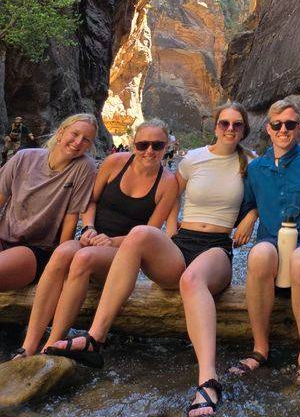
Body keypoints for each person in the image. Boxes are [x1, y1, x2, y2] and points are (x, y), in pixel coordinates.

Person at [48, 101, 257, 417]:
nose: (229, 129)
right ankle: (94, 339)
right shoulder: (192, 161)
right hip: (182, 243)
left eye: (236, 124)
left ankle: (208, 380)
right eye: (224, 123)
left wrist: (250, 215)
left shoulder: (251, 164)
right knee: (139, 234)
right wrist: (170, 233)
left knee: (192, 279)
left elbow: (265, 196)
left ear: (244, 129)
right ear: (215, 125)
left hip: (216, 248)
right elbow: (173, 199)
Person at [14, 119, 177, 359]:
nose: (149, 151)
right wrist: (89, 227)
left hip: (123, 251)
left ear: (167, 147)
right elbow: (90, 201)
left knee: (83, 258)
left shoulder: (168, 183)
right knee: (60, 254)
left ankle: (52, 344)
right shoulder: (114, 163)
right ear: (133, 145)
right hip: (91, 237)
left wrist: (111, 242)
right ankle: (28, 345)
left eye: (157, 145)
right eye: (143, 145)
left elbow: (148, 233)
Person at [230, 99, 300, 384]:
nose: (283, 130)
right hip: (272, 244)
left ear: (298, 128)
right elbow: (250, 203)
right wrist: (252, 214)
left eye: (290, 124)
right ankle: (260, 348)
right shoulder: (256, 169)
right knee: (258, 256)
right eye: (277, 125)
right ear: (268, 128)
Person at [0, 113, 97, 292]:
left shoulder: (84, 168)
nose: (78, 142)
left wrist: (59, 264)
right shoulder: (23, 158)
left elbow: (71, 218)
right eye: (75, 134)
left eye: (86, 140)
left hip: (35, 250)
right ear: (60, 133)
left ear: (89, 146)